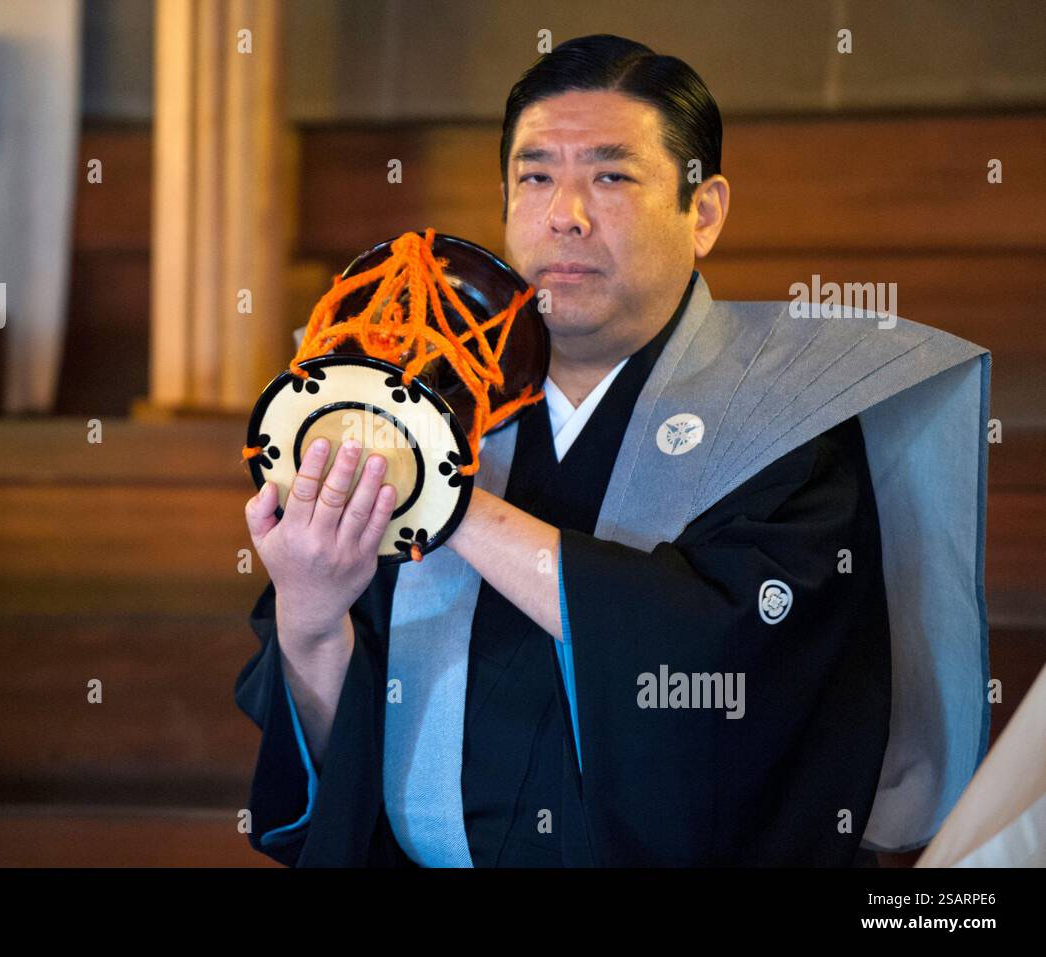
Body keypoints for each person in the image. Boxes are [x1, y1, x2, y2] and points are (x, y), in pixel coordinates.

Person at [235, 34, 990, 867]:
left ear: (702, 211)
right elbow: (338, 767)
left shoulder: (784, 418)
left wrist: (452, 501)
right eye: (535, 176)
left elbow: (731, 666)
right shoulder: (430, 393)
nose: (566, 211)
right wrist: (309, 616)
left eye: (611, 175)